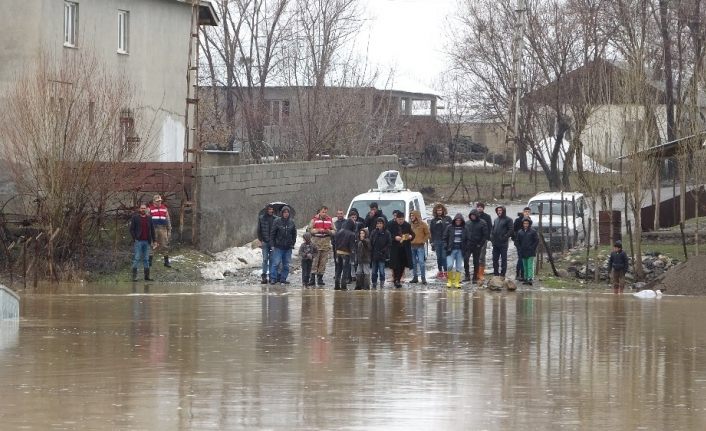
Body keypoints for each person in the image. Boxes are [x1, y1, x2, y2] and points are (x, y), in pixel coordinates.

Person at [308, 206, 336, 286]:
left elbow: (334, 231)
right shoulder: (314, 220)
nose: (324, 214)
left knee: (323, 262)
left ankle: (320, 278)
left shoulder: (330, 220)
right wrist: (317, 230)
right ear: (319, 212)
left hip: (325, 244)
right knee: (314, 262)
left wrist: (329, 231)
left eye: (325, 212)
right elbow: (309, 229)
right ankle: (312, 279)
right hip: (316, 243)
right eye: (323, 212)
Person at [269, 206, 297, 285]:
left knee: (286, 265)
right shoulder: (277, 221)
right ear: (282, 213)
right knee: (276, 263)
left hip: (288, 247)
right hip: (278, 246)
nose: (286, 214)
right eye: (284, 212)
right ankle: (273, 278)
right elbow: (272, 234)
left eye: (287, 212)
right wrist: (272, 244)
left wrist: (292, 243)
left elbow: (294, 234)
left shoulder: (292, 222)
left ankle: (283, 278)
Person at [129, 203, 157, 282]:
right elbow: (131, 229)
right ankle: (134, 277)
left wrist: (154, 240)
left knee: (146, 259)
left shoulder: (149, 218)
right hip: (138, 241)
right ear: (139, 209)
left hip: (147, 242)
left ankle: (147, 277)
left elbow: (152, 230)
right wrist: (135, 238)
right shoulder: (135, 218)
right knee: (137, 258)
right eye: (141, 208)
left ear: (146, 209)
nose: (143, 209)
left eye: (144, 208)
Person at [388, 211, 415, 288]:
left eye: (402, 219)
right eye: (399, 219)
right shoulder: (391, 225)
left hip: (404, 248)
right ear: (396, 218)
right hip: (395, 248)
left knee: (402, 265)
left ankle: (398, 280)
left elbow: (413, 234)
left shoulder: (407, 225)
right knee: (395, 265)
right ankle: (396, 279)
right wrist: (394, 237)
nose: (401, 221)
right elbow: (388, 234)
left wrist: (410, 236)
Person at [465, 209, 488, 284]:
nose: (472, 217)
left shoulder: (482, 223)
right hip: (468, 245)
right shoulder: (467, 223)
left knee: (476, 261)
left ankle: (475, 277)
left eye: (474, 215)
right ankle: (467, 276)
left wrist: (480, 245)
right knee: (465, 260)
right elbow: (464, 234)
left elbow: (485, 235)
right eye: (471, 215)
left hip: (477, 245)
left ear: (477, 215)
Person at [149, 194, 172, 268]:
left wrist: (169, 229)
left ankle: (166, 262)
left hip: (163, 229)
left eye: (160, 201)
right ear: (154, 201)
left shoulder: (164, 208)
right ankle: (149, 262)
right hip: (154, 229)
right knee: (152, 245)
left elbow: (167, 219)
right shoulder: (150, 209)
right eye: (157, 201)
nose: (159, 202)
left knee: (165, 245)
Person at [444, 213, 467, 288]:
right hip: (451, 250)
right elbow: (444, 237)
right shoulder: (449, 227)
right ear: (454, 220)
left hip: (460, 250)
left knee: (458, 267)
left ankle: (457, 282)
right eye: (457, 220)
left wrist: (466, 248)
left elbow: (468, 239)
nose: (458, 221)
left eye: (459, 220)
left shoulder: (465, 228)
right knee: (450, 265)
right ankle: (450, 281)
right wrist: (446, 246)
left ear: (462, 221)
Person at [430, 203, 452, 280]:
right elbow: (431, 232)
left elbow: (451, 230)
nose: (439, 212)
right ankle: (440, 271)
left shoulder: (448, 219)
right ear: (435, 211)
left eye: (440, 210)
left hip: (445, 241)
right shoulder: (433, 221)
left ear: (443, 210)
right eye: (438, 210)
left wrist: (451, 241)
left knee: (444, 257)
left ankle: (446, 272)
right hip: (436, 241)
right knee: (439, 257)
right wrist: (431, 242)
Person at [491, 206, 513, 278]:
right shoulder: (496, 220)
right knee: (494, 259)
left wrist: (505, 237)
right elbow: (493, 229)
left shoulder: (508, 220)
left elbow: (511, 230)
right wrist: (491, 236)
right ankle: (496, 274)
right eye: (498, 210)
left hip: (503, 243)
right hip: (495, 243)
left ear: (503, 211)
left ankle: (503, 274)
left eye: (500, 210)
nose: (499, 212)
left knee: (503, 259)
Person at [333, 219, 356, 290]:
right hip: (346, 254)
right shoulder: (352, 234)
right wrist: (353, 259)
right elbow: (352, 247)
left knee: (338, 270)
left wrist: (336, 254)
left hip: (338, 253)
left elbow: (335, 244)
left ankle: (336, 285)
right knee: (345, 270)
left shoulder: (338, 232)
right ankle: (343, 286)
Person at [257, 204, 277, 284]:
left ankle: (272, 277)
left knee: (272, 260)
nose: (270, 211)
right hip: (265, 242)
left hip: (273, 243)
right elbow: (259, 230)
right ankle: (264, 276)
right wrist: (261, 240)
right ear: (266, 210)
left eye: (272, 209)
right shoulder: (261, 218)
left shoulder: (276, 219)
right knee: (265, 259)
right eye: (269, 209)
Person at [409, 210, 431, 284]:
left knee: (421, 262)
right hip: (412, 246)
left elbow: (428, 234)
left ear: (417, 216)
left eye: (413, 216)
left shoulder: (423, 224)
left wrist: (423, 240)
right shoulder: (410, 225)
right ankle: (415, 277)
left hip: (420, 246)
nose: (411, 217)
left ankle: (423, 278)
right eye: (411, 216)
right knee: (414, 263)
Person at [516, 218, 539, 285]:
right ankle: (526, 278)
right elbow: (517, 241)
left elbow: (536, 240)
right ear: (522, 224)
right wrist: (519, 248)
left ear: (529, 224)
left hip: (530, 251)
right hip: (523, 251)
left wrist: (533, 248)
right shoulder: (520, 232)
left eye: (527, 223)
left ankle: (530, 278)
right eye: (524, 223)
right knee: (524, 265)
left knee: (530, 265)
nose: (525, 225)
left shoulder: (533, 231)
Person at [370, 217, 391, 289]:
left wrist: (384, 251)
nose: (379, 225)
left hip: (382, 255)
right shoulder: (373, 232)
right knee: (373, 271)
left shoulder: (387, 233)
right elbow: (371, 243)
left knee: (382, 271)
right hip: (374, 255)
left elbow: (389, 243)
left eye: (380, 223)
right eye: (378, 223)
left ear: (383, 224)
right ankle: (374, 284)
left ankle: (382, 284)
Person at [513, 207, 533, 281]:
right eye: (525, 211)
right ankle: (518, 274)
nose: (527, 213)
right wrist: (515, 239)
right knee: (520, 258)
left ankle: (525, 274)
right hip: (519, 242)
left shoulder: (530, 220)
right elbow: (513, 230)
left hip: (527, 243)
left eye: (528, 212)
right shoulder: (518, 220)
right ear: (523, 212)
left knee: (526, 258)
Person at [475, 202, 493, 283]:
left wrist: (488, 238)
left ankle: (481, 273)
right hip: (474, 240)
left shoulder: (487, 217)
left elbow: (490, 228)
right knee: (476, 257)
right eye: (478, 207)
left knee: (482, 256)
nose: (479, 208)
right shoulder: (473, 215)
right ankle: (476, 273)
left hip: (483, 240)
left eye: (481, 207)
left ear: (483, 208)